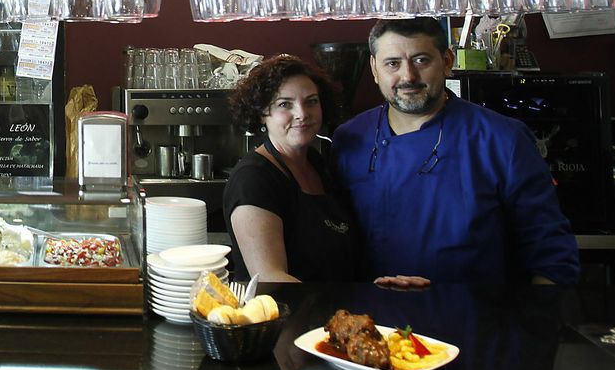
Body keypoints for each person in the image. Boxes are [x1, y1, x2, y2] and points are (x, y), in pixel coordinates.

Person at [332, 17, 580, 285]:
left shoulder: (503, 139)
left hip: (478, 316)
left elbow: (550, 251)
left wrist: (533, 319)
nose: (408, 76)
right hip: (375, 317)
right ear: (374, 68)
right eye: (393, 63)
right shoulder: (350, 139)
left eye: (421, 60)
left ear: (447, 62)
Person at [222, 54, 360, 282]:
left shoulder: (317, 163)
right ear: (261, 112)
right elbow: (272, 280)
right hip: (291, 314)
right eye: (285, 104)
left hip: (333, 309)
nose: (302, 114)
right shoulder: (253, 180)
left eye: (311, 101)